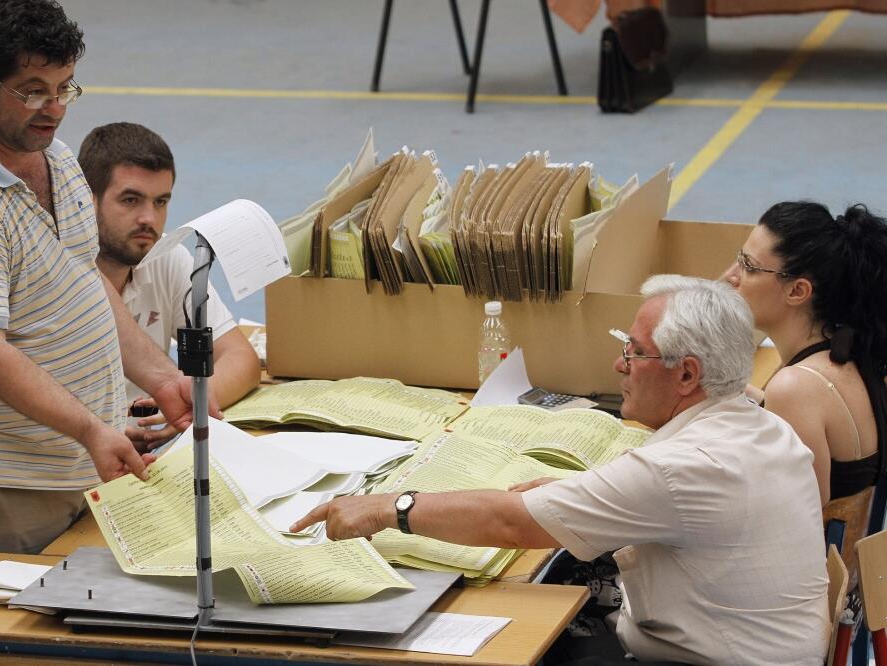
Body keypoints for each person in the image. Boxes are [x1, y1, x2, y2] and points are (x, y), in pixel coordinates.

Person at [293, 276, 830, 665]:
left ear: (687, 374)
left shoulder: (679, 470)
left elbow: (510, 523)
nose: (620, 366)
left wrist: (392, 506)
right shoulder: (759, 424)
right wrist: (581, 495)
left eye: (635, 352)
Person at [0, 0, 213, 555]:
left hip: (70, 462)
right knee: (3, 639)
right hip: (1, 484)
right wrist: (91, 430)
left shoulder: (56, 159)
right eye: (33, 90)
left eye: (65, 87)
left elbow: (84, 284)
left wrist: (163, 380)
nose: (54, 109)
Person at [78, 122, 260, 450]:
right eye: (131, 200)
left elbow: (240, 357)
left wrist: (185, 402)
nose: (149, 218)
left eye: (160, 202)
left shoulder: (165, 257)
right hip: (71, 458)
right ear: (87, 200)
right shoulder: (53, 273)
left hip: (145, 458)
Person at [723, 202, 887, 506]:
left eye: (748, 266)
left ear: (797, 291)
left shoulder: (796, 387)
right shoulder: (844, 347)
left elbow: (799, 518)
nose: (731, 276)